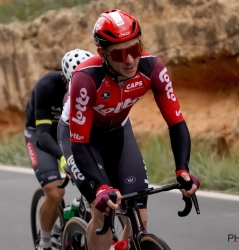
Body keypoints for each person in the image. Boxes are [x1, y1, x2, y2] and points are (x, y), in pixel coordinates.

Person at [58, 9, 200, 250]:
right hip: (82, 139)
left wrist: (182, 170)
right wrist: (101, 187)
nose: (129, 60)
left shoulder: (152, 68)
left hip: (117, 132)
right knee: (101, 210)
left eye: (134, 49)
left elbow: (176, 123)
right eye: (119, 53)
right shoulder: (86, 78)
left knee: (140, 217)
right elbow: (79, 143)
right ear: (102, 54)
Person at [24, 49, 94, 250]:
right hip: (41, 134)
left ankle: (79, 215)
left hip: (70, 132)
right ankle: (44, 242)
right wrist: (63, 157)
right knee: (55, 192)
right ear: (65, 79)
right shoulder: (46, 86)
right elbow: (44, 135)